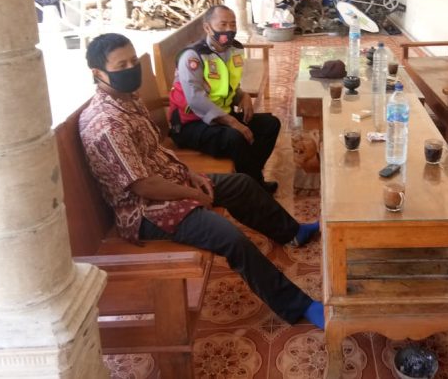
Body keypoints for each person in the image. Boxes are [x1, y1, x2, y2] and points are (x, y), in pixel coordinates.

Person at [79, 33, 324, 329]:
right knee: (231, 238)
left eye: (133, 60)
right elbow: (143, 186)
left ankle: (293, 232)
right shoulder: (107, 123)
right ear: (98, 73)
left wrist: (190, 174)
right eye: (122, 65)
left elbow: (156, 152)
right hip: (146, 211)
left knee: (242, 185)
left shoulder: (128, 100)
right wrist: (194, 195)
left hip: (170, 182)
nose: (131, 68)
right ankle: (299, 305)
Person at [168, 5, 280, 194]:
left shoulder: (234, 50)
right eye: (223, 24)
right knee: (235, 137)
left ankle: (250, 177)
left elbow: (227, 85)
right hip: (190, 124)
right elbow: (195, 98)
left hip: (220, 116)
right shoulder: (193, 56)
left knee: (270, 124)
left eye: (233, 24)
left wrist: (242, 95)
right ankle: (254, 187)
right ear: (207, 27)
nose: (229, 29)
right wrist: (233, 122)